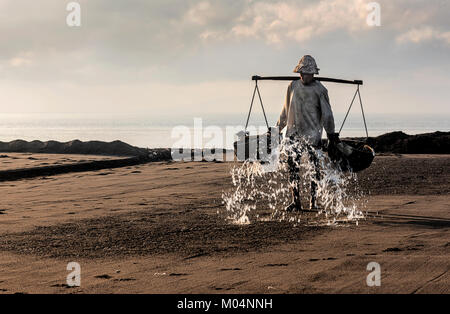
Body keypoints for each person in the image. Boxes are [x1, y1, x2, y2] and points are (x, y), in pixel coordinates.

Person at [276, 55, 340, 212]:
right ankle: (296, 201)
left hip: (313, 135)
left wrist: (331, 135)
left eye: (309, 73)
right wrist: (277, 128)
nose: (305, 76)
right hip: (293, 134)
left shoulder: (320, 90)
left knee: (315, 169)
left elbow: (327, 115)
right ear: (300, 73)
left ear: (313, 74)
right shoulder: (292, 86)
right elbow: (285, 110)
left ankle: (313, 201)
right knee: (293, 169)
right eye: (303, 73)